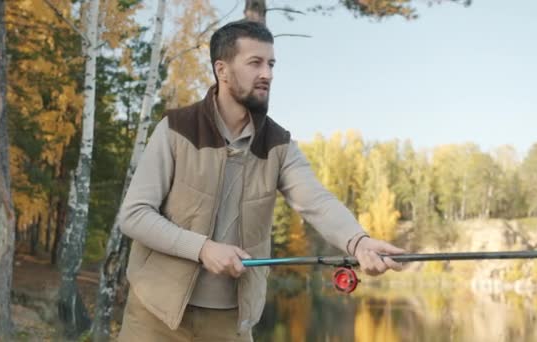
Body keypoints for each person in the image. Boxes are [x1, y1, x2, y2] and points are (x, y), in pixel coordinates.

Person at [118, 20, 405, 342]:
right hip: (154, 314)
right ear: (222, 70)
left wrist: (359, 242)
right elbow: (134, 215)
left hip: (232, 323)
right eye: (255, 63)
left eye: (270, 64)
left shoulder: (279, 144)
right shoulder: (175, 129)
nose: (266, 73)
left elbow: (317, 201)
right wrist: (202, 249)